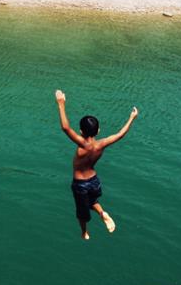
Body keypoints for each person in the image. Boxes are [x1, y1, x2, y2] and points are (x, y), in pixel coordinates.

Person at [55, 90, 139, 240]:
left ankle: (84, 232)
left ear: (81, 131)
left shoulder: (82, 144)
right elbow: (120, 134)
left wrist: (61, 103)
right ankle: (102, 213)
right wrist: (132, 118)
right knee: (92, 201)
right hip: (94, 181)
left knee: (82, 213)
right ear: (98, 130)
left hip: (80, 183)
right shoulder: (101, 144)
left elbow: (66, 128)